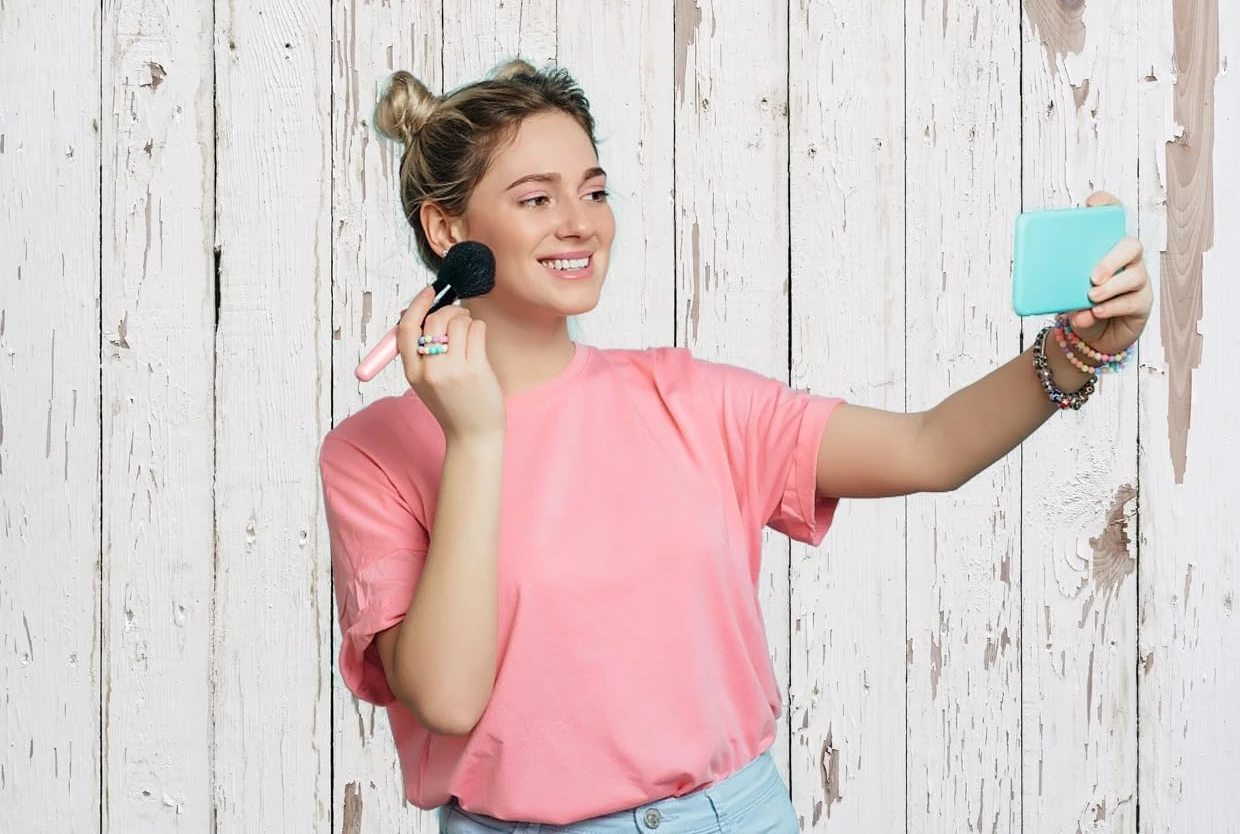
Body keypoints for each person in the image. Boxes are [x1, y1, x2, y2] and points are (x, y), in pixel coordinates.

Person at [318, 60, 1152, 833]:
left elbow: (929, 449)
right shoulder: (372, 455)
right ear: (445, 229)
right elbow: (449, 701)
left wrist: (1080, 348)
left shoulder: (691, 400)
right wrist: (475, 439)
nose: (580, 224)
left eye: (595, 191)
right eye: (537, 200)